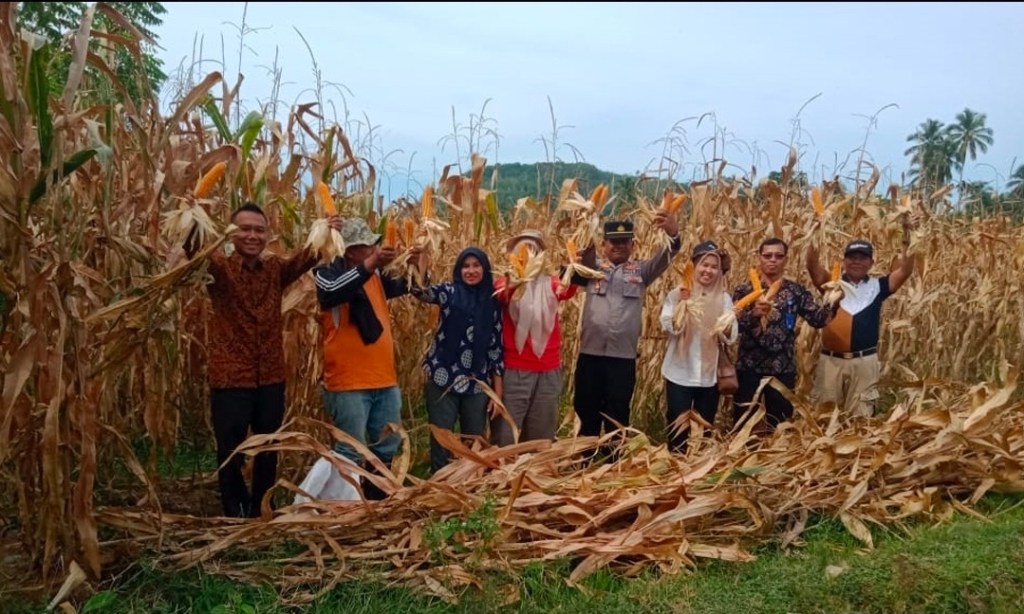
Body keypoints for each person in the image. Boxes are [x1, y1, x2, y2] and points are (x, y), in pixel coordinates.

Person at [184, 201, 341, 518]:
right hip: (231, 377)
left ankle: (261, 507)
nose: (252, 236)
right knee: (231, 449)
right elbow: (193, 249)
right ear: (231, 233)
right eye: (244, 229)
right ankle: (234, 508)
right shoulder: (220, 269)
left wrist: (327, 228)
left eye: (259, 230)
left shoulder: (274, 270)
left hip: (270, 376)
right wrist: (191, 216)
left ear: (267, 234)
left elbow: (304, 258)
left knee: (269, 446)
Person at [312, 217, 420, 499]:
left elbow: (410, 285)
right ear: (350, 251)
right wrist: (371, 263)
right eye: (368, 245)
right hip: (348, 383)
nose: (375, 247)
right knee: (350, 449)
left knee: (386, 444)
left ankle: (376, 501)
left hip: (384, 380)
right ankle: (341, 507)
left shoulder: (375, 277)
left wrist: (417, 261)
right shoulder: (327, 274)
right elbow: (331, 293)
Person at [572, 212, 681, 438]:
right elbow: (580, 252)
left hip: (622, 358)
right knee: (586, 409)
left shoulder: (641, 271)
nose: (620, 246)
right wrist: (587, 222)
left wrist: (673, 234)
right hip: (590, 355)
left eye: (625, 241)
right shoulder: (592, 268)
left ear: (633, 244)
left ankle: (613, 462)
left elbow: (667, 255)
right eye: (614, 241)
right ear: (604, 244)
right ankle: (583, 459)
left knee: (618, 412)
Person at [412, 247, 505, 473]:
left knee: (474, 440)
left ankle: (468, 485)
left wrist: (497, 394)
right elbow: (422, 291)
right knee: (442, 437)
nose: (471, 271)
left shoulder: (492, 301)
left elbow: (495, 349)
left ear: (485, 268)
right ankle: (439, 484)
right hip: (443, 376)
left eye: (476, 265)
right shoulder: (448, 292)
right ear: (458, 269)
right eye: (465, 266)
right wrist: (417, 264)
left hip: (477, 382)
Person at [805, 230, 914, 417]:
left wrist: (910, 237)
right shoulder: (831, 283)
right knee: (824, 416)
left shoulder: (878, 286)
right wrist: (817, 228)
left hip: (864, 362)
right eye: (851, 257)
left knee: (861, 418)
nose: (856, 261)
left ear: (871, 263)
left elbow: (905, 270)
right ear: (844, 261)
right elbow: (812, 265)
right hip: (831, 362)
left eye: (862, 258)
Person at [732, 237, 834, 433]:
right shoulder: (744, 290)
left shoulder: (795, 291)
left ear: (786, 259)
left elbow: (818, 320)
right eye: (767, 255)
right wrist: (753, 315)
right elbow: (732, 328)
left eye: (778, 256)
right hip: (748, 368)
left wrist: (834, 299)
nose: (773, 260)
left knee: (780, 428)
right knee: (744, 427)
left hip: (782, 368)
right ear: (758, 258)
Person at [491, 229, 579, 447]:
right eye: (523, 250)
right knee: (506, 433)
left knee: (541, 435)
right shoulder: (505, 282)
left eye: (534, 250)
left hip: (548, 370)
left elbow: (568, 290)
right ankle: (502, 474)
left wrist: (574, 266)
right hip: (515, 370)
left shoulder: (550, 283)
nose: (529, 254)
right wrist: (520, 278)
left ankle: (535, 474)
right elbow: (503, 294)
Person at [659, 240, 737, 452]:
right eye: (704, 264)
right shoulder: (677, 294)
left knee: (705, 425)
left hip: (709, 375)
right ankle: (676, 463)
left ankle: (700, 467)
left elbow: (731, 337)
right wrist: (681, 306)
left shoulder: (724, 299)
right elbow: (668, 326)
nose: (708, 271)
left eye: (714, 267)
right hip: (679, 371)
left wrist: (727, 324)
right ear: (694, 266)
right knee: (677, 424)